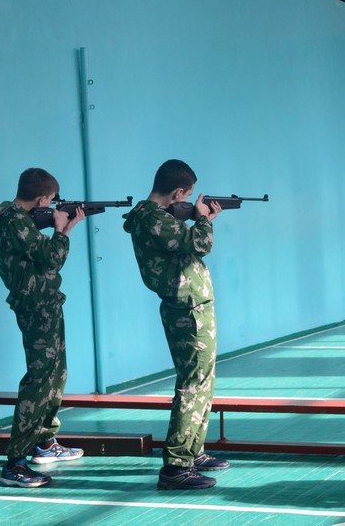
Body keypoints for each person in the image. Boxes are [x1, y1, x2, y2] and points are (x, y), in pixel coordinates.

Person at [123, 159, 229, 490]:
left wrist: (198, 219)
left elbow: (182, 245)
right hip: (187, 307)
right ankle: (176, 466)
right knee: (193, 384)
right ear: (178, 192)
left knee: (202, 381)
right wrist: (204, 220)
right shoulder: (153, 219)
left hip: (191, 304)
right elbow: (201, 245)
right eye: (188, 195)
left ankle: (192, 451)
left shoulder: (152, 217)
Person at [0, 168, 87, 488]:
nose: (52, 205)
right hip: (35, 307)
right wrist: (63, 230)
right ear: (42, 199)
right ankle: (15, 463)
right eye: (50, 201)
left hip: (45, 303)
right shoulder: (14, 220)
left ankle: (44, 442)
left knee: (56, 376)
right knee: (39, 381)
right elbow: (51, 257)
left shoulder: (15, 219)